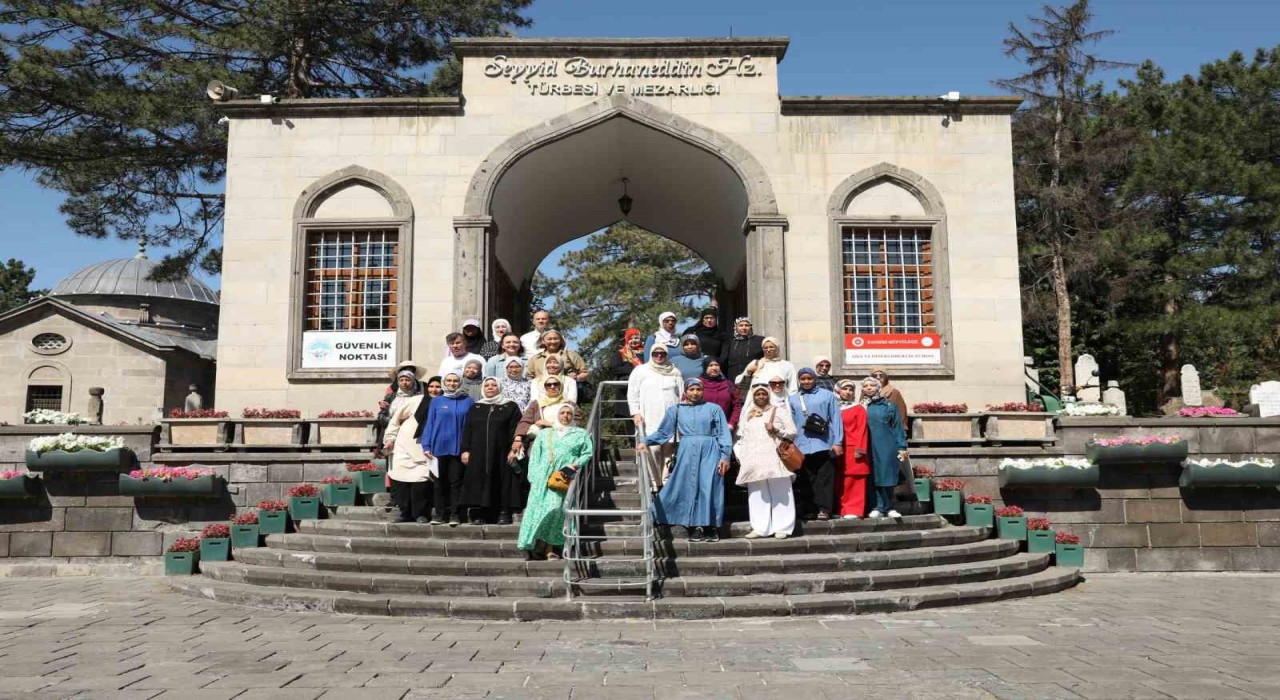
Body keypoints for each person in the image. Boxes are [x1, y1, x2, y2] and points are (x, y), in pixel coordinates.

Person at [641, 379, 733, 542]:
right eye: (692, 389)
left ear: (702, 391)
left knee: (709, 485)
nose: (695, 392)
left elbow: (723, 433)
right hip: (686, 450)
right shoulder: (676, 409)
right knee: (687, 486)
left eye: (698, 389)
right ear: (686, 391)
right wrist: (645, 441)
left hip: (710, 449)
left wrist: (725, 456)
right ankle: (692, 526)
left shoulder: (714, 409)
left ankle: (710, 526)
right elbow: (664, 432)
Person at [517, 403, 591, 561]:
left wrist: (574, 465)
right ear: (556, 415)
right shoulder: (545, 434)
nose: (565, 416)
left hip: (563, 477)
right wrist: (534, 477)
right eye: (562, 413)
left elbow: (587, 453)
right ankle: (534, 544)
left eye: (568, 413)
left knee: (555, 509)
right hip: (541, 477)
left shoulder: (580, 434)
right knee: (537, 512)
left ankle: (550, 547)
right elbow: (535, 455)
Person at [734, 383, 799, 539]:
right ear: (753, 396)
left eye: (764, 394)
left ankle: (782, 527)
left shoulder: (779, 411)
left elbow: (792, 432)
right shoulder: (748, 413)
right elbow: (742, 436)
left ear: (769, 395)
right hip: (754, 460)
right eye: (757, 394)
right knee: (757, 494)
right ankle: (760, 528)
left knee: (781, 492)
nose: (761, 397)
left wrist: (775, 430)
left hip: (775, 458)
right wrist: (742, 456)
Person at [460, 378, 523, 526]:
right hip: (478, 452)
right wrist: (465, 450)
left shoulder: (510, 406)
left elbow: (516, 429)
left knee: (502, 480)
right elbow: (467, 429)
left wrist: (513, 450)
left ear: (499, 387)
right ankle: (481, 514)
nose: (490, 387)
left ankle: (503, 513)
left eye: (494, 385)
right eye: (487, 385)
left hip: (502, 452)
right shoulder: (476, 407)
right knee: (479, 481)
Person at [417, 372, 474, 526]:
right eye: (449, 380)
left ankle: (455, 515)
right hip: (438, 448)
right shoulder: (436, 401)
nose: (452, 383)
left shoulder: (468, 401)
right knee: (438, 483)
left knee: (455, 483)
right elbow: (430, 424)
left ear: (460, 383)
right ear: (444, 382)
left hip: (458, 449)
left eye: (455, 381)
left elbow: (470, 427)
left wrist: (467, 448)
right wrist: (426, 445)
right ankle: (440, 515)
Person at [626, 344, 684, 488]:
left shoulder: (675, 371)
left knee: (669, 452)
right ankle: (653, 484)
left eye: (662, 353)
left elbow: (682, 395)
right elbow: (632, 393)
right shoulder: (641, 371)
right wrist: (635, 412)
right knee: (653, 450)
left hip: (671, 417)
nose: (659, 356)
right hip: (649, 417)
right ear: (651, 354)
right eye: (656, 353)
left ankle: (665, 484)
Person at [789, 367, 843, 521]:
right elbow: (791, 422)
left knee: (825, 478)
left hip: (824, 443)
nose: (806, 382)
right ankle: (809, 509)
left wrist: (837, 442)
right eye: (803, 379)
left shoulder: (827, 395)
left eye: (809, 378)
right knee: (806, 479)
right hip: (802, 444)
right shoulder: (793, 398)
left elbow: (835, 418)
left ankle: (824, 509)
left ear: (815, 379)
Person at [382, 371, 429, 523]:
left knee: (420, 482)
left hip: (422, 448)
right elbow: (394, 421)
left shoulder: (427, 400)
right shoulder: (411, 401)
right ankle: (405, 513)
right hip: (402, 447)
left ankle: (420, 513)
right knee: (401, 482)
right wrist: (389, 439)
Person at [862, 376, 908, 518]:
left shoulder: (889, 405)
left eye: (872, 385)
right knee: (872, 476)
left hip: (886, 446)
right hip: (867, 446)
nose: (869, 388)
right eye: (866, 385)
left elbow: (897, 428)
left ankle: (888, 507)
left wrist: (902, 446)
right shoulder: (860, 407)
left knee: (887, 476)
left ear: (878, 387)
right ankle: (876, 506)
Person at [835, 379, 869, 519]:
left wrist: (860, 449)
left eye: (851, 390)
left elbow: (862, 430)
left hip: (853, 448)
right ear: (838, 390)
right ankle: (840, 508)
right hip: (837, 449)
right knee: (839, 480)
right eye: (845, 389)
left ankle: (853, 509)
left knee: (854, 480)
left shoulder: (858, 408)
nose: (848, 392)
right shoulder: (833, 406)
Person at [516, 375, 573, 443]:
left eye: (556, 384)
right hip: (540, 441)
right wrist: (518, 439)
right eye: (549, 385)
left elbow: (576, 423)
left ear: (561, 386)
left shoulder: (569, 404)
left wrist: (551, 424)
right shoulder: (537, 403)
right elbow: (526, 421)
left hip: (564, 440)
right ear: (545, 387)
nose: (552, 387)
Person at [719, 317, 765, 383]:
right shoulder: (731, 342)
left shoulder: (760, 340)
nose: (744, 328)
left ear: (751, 327)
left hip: (754, 379)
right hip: (733, 379)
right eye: (741, 325)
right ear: (736, 327)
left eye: (747, 325)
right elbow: (724, 359)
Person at [700, 359, 741, 430]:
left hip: (723, 427)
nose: (714, 368)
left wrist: (732, 423)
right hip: (700, 427)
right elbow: (686, 404)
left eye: (716, 365)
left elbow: (737, 405)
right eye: (710, 365)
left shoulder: (728, 384)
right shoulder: (697, 383)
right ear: (705, 367)